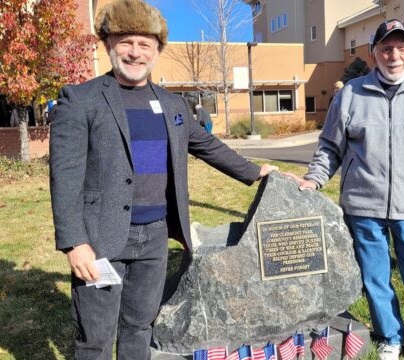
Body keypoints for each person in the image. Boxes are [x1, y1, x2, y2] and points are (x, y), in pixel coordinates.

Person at [47, 1, 278, 359]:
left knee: (140, 326)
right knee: (95, 336)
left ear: (157, 50)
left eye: (145, 43)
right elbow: (64, 177)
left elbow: (207, 145)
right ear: (108, 43)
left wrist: (257, 171)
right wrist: (75, 242)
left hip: (155, 236)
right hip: (101, 238)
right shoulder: (81, 100)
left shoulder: (172, 105)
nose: (135, 52)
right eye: (126, 41)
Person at [286, 19, 404, 360]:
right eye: (386, 49)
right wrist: (314, 179)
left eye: (401, 49)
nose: (394, 56)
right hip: (363, 207)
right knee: (376, 279)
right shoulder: (350, 94)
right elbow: (330, 146)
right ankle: (390, 335)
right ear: (373, 53)